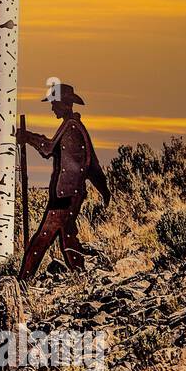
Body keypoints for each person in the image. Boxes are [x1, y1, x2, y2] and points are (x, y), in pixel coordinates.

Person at [17, 84, 110, 281]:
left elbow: (48, 148)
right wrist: (104, 189)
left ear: (64, 104)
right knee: (67, 234)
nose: (52, 108)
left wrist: (28, 137)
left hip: (65, 194)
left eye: (54, 103)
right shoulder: (76, 127)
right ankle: (80, 275)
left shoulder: (70, 127)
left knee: (43, 237)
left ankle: (23, 280)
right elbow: (92, 163)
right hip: (72, 192)